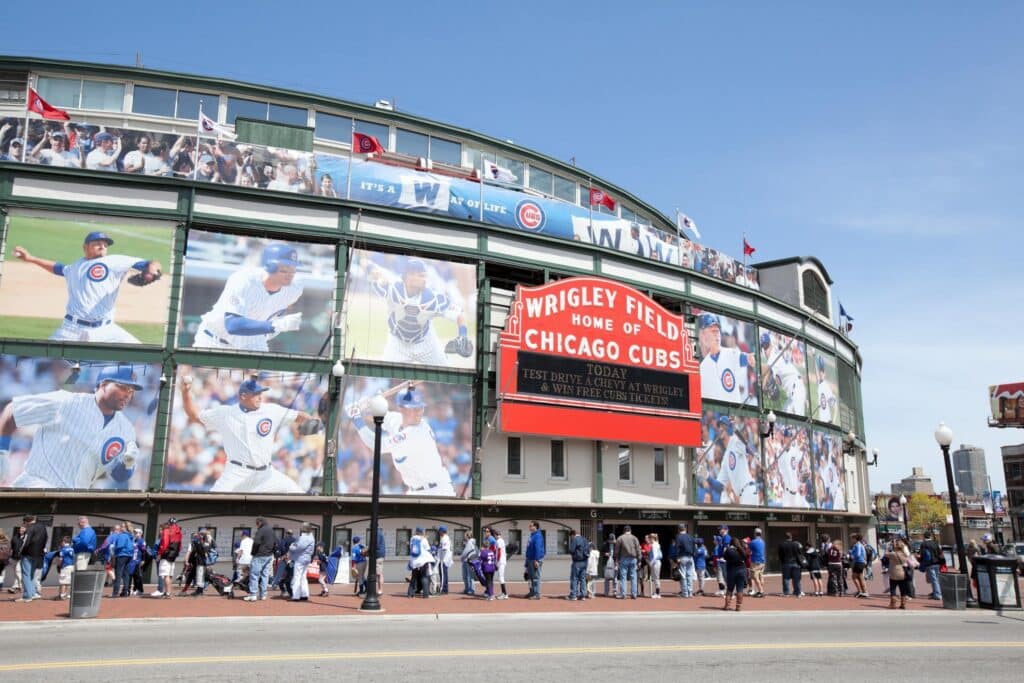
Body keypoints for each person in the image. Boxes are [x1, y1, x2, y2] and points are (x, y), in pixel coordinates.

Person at [0, 364, 143, 489]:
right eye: (122, 387)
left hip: (71, 502)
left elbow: (118, 476)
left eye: (131, 390)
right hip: (35, 486)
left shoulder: (125, 429)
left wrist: (127, 465)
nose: (127, 395)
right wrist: (2, 450)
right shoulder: (66, 402)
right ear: (103, 384)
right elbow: (13, 411)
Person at [11, 230, 162, 343]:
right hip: (71, 329)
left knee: (144, 356)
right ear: (85, 247)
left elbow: (150, 263)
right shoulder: (75, 266)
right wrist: (30, 258)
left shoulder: (115, 261)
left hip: (106, 329)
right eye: (97, 244)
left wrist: (151, 269)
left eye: (105, 245)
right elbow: (58, 268)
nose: (102, 247)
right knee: (43, 358)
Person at [178, 376, 322, 493]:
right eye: (255, 394)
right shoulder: (226, 413)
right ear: (243, 396)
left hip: (266, 474)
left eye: (260, 393)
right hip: (236, 473)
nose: (260, 397)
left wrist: (317, 423)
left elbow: (298, 416)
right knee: (211, 504)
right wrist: (185, 394)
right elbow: (194, 415)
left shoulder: (271, 410)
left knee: (299, 496)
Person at [192, 242, 306, 352]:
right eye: (285, 269)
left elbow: (281, 309)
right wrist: (276, 325)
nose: (290, 274)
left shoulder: (295, 288)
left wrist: (276, 322)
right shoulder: (244, 280)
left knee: (264, 372)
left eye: (293, 269)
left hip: (252, 341)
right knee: (200, 371)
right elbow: (232, 325)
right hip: (214, 339)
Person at [349, 387, 456, 496]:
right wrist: (369, 404)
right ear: (401, 408)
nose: (418, 412)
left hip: (437, 491)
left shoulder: (417, 432)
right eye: (413, 408)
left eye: (420, 407)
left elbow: (377, 445)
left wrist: (357, 420)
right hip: (414, 491)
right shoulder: (397, 420)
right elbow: (374, 414)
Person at [367, 257, 470, 366]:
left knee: (449, 372)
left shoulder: (432, 298)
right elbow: (375, 275)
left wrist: (463, 335)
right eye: (421, 276)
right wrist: (370, 270)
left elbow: (460, 314)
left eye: (424, 276)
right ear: (409, 277)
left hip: (426, 345)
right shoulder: (393, 290)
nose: (425, 279)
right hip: (397, 345)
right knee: (385, 373)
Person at [697, 313, 756, 404]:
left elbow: (742, 358)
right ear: (703, 336)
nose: (717, 335)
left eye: (717, 331)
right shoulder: (701, 367)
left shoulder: (730, 353)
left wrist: (748, 358)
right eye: (713, 331)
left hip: (734, 411)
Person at [760, 332, 807, 414]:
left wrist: (762, 387)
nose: (766, 350)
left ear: (770, 344)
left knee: (798, 424)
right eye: (763, 347)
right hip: (793, 393)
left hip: (797, 390)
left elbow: (767, 371)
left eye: (766, 346)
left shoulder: (773, 357)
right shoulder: (775, 354)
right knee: (783, 421)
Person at [15, 516, 46, 602]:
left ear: (26, 521)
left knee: (26, 575)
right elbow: (45, 540)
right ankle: (33, 593)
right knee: (31, 575)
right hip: (38, 554)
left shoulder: (30, 529)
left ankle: (27, 596)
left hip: (27, 554)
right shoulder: (43, 528)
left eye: (24, 523)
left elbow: (25, 542)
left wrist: (19, 552)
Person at [153, 517, 182, 599]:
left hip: (166, 555)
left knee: (165, 575)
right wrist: (176, 554)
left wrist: (159, 553)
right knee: (169, 575)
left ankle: (167, 593)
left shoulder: (167, 531)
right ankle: (168, 592)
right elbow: (180, 546)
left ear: (169, 523)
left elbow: (164, 544)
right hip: (173, 556)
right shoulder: (179, 532)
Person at [288, 524, 315, 602]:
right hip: (307, 558)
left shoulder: (304, 537)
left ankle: (296, 596)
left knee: (297, 577)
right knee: (303, 577)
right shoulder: (311, 537)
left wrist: (291, 546)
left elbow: (298, 547)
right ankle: (304, 594)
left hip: (300, 558)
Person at [722, 537, 749, 611]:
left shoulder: (729, 550)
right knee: (740, 589)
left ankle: (727, 606)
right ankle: (738, 606)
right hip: (741, 571)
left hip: (732, 571)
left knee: (730, 589)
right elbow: (746, 558)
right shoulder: (742, 550)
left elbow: (724, 557)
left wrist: (728, 548)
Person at [614, 525, 641, 600]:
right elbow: (638, 549)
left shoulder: (620, 538)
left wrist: (616, 559)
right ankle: (634, 594)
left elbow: (616, 550)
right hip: (633, 559)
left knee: (623, 576)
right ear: (630, 530)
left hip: (623, 558)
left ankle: (623, 594)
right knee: (633, 576)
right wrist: (639, 560)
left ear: (624, 531)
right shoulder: (634, 538)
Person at [406, 526, 434, 598]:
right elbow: (428, 549)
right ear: (422, 532)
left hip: (414, 561)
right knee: (424, 577)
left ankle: (410, 594)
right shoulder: (424, 539)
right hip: (423, 561)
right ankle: (425, 594)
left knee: (414, 577)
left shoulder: (412, 539)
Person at [886, 538, 912, 609]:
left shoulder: (893, 554)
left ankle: (893, 604)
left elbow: (885, 554)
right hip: (902, 572)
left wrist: (888, 546)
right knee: (902, 589)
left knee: (893, 588)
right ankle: (903, 604)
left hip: (894, 573)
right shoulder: (904, 555)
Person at [109, 524, 134, 598]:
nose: (120, 528)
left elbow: (120, 545)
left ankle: (115, 592)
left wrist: (113, 548)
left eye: (122, 527)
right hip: (129, 555)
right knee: (126, 574)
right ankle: (125, 592)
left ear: (125, 528)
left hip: (121, 555)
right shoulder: (130, 536)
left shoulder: (122, 535)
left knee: (118, 573)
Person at [812, 354, 838, 423]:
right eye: (820, 372)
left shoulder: (827, 388)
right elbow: (816, 372)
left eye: (822, 373)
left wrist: (834, 421)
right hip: (821, 419)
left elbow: (835, 407)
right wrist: (814, 359)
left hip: (827, 420)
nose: (820, 374)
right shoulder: (819, 384)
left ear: (825, 374)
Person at [917, 531, 943, 600]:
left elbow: (921, 555)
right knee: (936, 578)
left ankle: (937, 594)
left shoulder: (924, 544)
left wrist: (919, 560)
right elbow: (940, 553)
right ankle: (936, 592)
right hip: (937, 563)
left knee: (933, 579)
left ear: (924, 536)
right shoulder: (935, 543)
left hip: (929, 563)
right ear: (930, 536)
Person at [779, 532, 804, 597]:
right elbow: (799, 554)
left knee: (786, 578)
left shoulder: (782, 545)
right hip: (795, 563)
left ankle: (786, 593)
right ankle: (798, 592)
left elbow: (780, 555)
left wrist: (782, 561)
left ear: (785, 538)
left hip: (786, 563)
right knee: (796, 579)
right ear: (791, 537)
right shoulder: (796, 544)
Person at [524, 521, 545, 599]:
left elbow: (538, 549)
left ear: (535, 527)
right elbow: (529, 548)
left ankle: (537, 594)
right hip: (530, 559)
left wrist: (536, 560)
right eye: (529, 526)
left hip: (535, 559)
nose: (529, 527)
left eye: (531, 526)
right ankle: (532, 592)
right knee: (531, 577)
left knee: (536, 577)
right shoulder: (532, 535)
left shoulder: (538, 536)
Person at [567, 528, 589, 601]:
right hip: (585, 562)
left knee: (574, 578)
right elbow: (588, 550)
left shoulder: (575, 539)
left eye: (571, 536)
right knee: (582, 578)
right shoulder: (585, 539)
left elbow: (571, 550)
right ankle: (583, 595)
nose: (571, 538)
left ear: (573, 534)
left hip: (577, 562)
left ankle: (574, 595)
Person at [748, 528, 766, 597]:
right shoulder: (762, 541)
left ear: (755, 533)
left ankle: (761, 591)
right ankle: (761, 590)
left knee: (754, 576)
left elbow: (748, 552)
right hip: (762, 561)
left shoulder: (753, 542)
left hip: (755, 561)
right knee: (761, 575)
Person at [849, 533, 869, 598]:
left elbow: (858, 554)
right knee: (860, 577)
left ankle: (859, 591)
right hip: (861, 562)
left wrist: (851, 556)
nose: (851, 540)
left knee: (854, 577)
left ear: (855, 539)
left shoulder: (857, 545)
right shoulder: (860, 545)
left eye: (852, 538)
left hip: (859, 562)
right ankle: (864, 591)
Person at [235, 529, 253, 595]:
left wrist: (237, 558)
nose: (241, 536)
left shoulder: (243, 541)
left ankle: (242, 586)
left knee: (240, 575)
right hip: (251, 560)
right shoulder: (252, 541)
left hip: (243, 560)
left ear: (244, 535)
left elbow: (241, 551)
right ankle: (250, 590)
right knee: (249, 575)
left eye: (242, 534)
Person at [459, 531, 477, 595]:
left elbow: (466, 552)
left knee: (469, 576)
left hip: (469, 561)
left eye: (465, 535)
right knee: (465, 576)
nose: (464, 537)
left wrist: (461, 557)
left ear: (468, 536)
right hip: (466, 561)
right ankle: (467, 589)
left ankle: (471, 589)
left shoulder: (470, 542)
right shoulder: (469, 542)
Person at [479, 535, 497, 600]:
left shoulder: (483, 552)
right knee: (491, 581)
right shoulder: (491, 552)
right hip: (492, 568)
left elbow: (480, 559)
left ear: (483, 546)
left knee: (488, 581)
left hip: (486, 568)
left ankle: (490, 595)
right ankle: (492, 594)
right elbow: (494, 559)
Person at [57, 536, 74, 600]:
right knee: (68, 581)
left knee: (63, 581)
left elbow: (61, 559)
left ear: (64, 542)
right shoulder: (72, 549)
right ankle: (67, 594)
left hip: (65, 566)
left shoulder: (63, 549)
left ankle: (62, 595)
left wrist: (59, 565)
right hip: (71, 566)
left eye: (62, 542)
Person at [493, 528, 508, 600]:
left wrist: (496, 562)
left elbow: (498, 553)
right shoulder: (501, 540)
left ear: (495, 535)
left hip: (500, 561)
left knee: (501, 577)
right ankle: (503, 593)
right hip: (502, 561)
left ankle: (504, 594)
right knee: (501, 577)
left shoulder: (498, 541)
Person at [437, 525, 453, 594]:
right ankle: (445, 589)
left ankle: (443, 589)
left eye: (439, 531)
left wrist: (440, 557)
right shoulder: (444, 538)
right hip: (444, 559)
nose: (439, 533)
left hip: (444, 559)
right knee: (444, 574)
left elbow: (444, 549)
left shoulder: (445, 538)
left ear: (442, 531)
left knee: (443, 575)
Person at [648, 533, 663, 599]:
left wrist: (651, 563)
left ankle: (658, 593)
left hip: (655, 562)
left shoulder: (654, 545)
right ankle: (657, 592)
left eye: (649, 538)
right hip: (656, 562)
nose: (649, 540)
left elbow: (655, 556)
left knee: (656, 578)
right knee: (655, 578)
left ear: (652, 538)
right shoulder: (656, 544)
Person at [601, 533, 617, 597]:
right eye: (610, 540)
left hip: (615, 562)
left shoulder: (617, 545)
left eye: (613, 540)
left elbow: (619, 553)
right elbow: (601, 552)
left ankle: (615, 592)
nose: (612, 541)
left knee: (615, 578)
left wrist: (617, 561)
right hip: (606, 563)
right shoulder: (605, 544)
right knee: (606, 578)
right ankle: (606, 592)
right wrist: (605, 554)